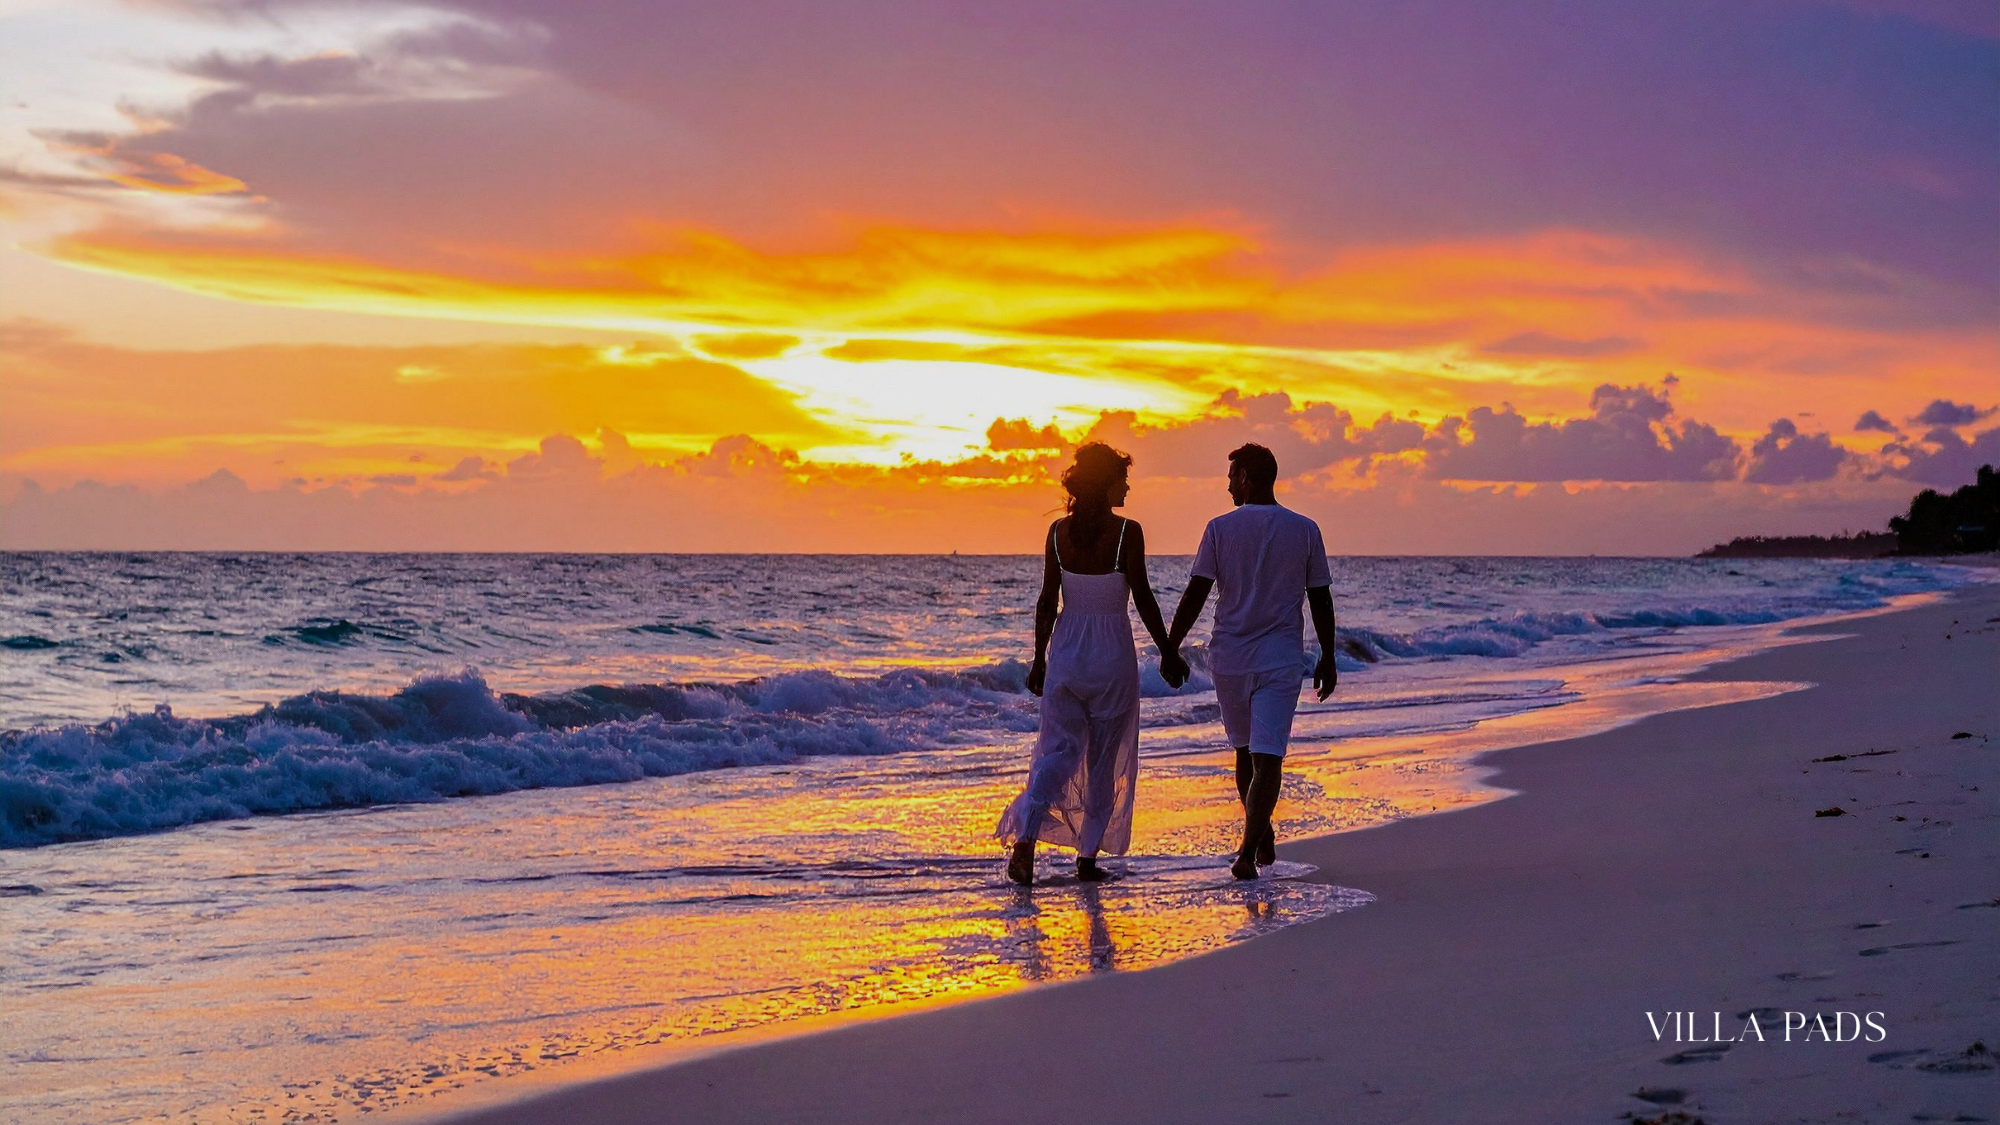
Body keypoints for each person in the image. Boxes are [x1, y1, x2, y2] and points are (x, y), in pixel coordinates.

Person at [997, 442, 1180, 886]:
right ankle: (1087, 860)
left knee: (1056, 751)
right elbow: (1143, 597)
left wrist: (1039, 660)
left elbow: (1046, 602)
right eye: (1123, 478)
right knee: (1102, 762)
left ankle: (1026, 837)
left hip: (1066, 654)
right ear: (1107, 483)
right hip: (1111, 656)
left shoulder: (1058, 533)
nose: (1128, 485)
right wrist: (1168, 651)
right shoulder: (1127, 533)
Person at [1164, 442, 1338, 880]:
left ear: (1246, 477)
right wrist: (1328, 655)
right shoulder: (1304, 528)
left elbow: (1196, 593)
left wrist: (1171, 646)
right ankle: (1260, 834)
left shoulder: (1220, 528)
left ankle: (1246, 850)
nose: (1226, 485)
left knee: (1255, 754)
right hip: (1275, 658)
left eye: (1231, 476)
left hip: (1234, 657)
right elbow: (1320, 598)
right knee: (1260, 754)